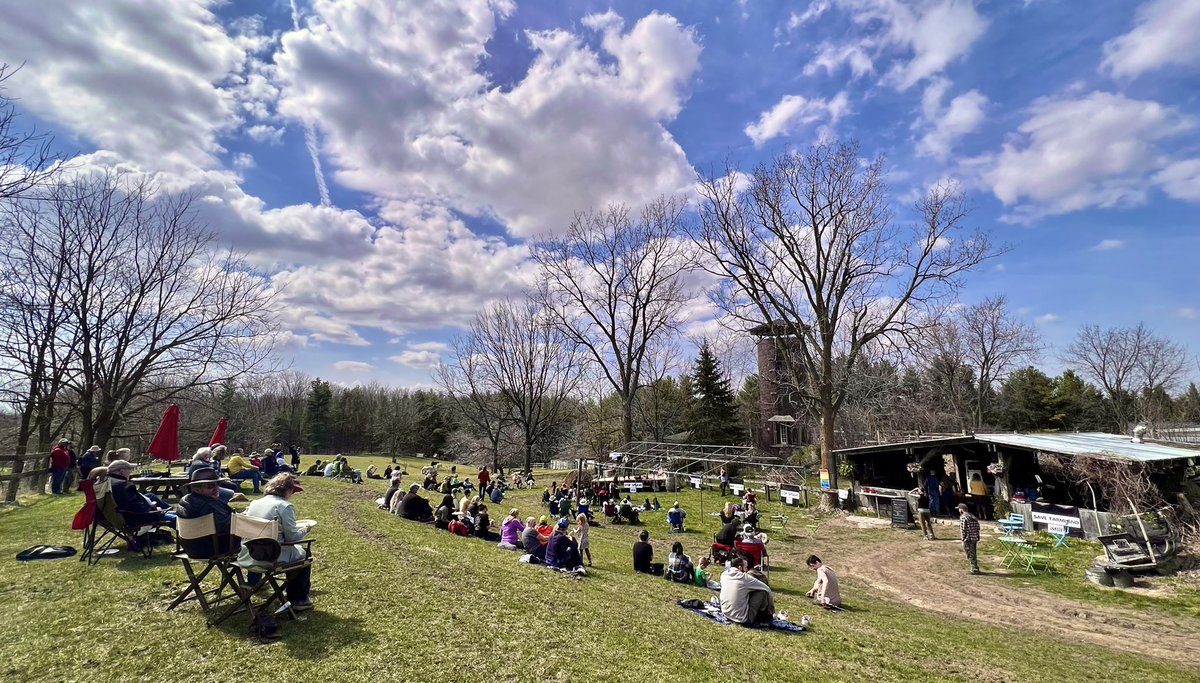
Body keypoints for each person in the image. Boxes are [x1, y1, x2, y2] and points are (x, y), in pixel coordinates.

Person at [238, 473, 314, 611]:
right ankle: (298, 599)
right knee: (304, 554)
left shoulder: (255, 503)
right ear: (286, 490)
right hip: (272, 556)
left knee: (270, 544)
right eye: (292, 491)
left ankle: (256, 582)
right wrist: (306, 529)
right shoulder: (284, 506)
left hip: (248, 553)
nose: (292, 494)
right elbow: (293, 538)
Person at [176, 467, 236, 557]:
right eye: (210, 486)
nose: (216, 489)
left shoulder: (185, 500)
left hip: (189, 548)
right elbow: (229, 525)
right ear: (196, 489)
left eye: (217, 484)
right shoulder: (207, 505)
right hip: (213, 549)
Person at [106, 459, 177, 528]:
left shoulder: (109, 481)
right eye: (130, 469)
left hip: (124, 514)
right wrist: (152, 508)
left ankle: (176, 512)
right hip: (136, 517)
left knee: (179, 514)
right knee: (178, 519)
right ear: (122, 471)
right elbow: (136, 507)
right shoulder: (122, 485)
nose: (131, 472)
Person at [720, 556, 775, 625]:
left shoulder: (724, 575)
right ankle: (763, 617)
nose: (746, 570)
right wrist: (771, 606)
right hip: (742, 619)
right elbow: (767, 589)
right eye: (746, 567)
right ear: (740, 567)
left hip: (725, 612)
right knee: (762, 592)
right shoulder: (744, 578)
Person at [958, 503, 981, 574]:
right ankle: (975, 567)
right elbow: (978, 527)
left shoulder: (963, 517)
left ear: (961, 509)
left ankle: (974, 568)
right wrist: (977, 536)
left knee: (969, 553)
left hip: (968, 538)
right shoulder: (973, 516)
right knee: (973, 552)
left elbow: (963, 529)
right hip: (974, 538)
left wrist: (963, 538)